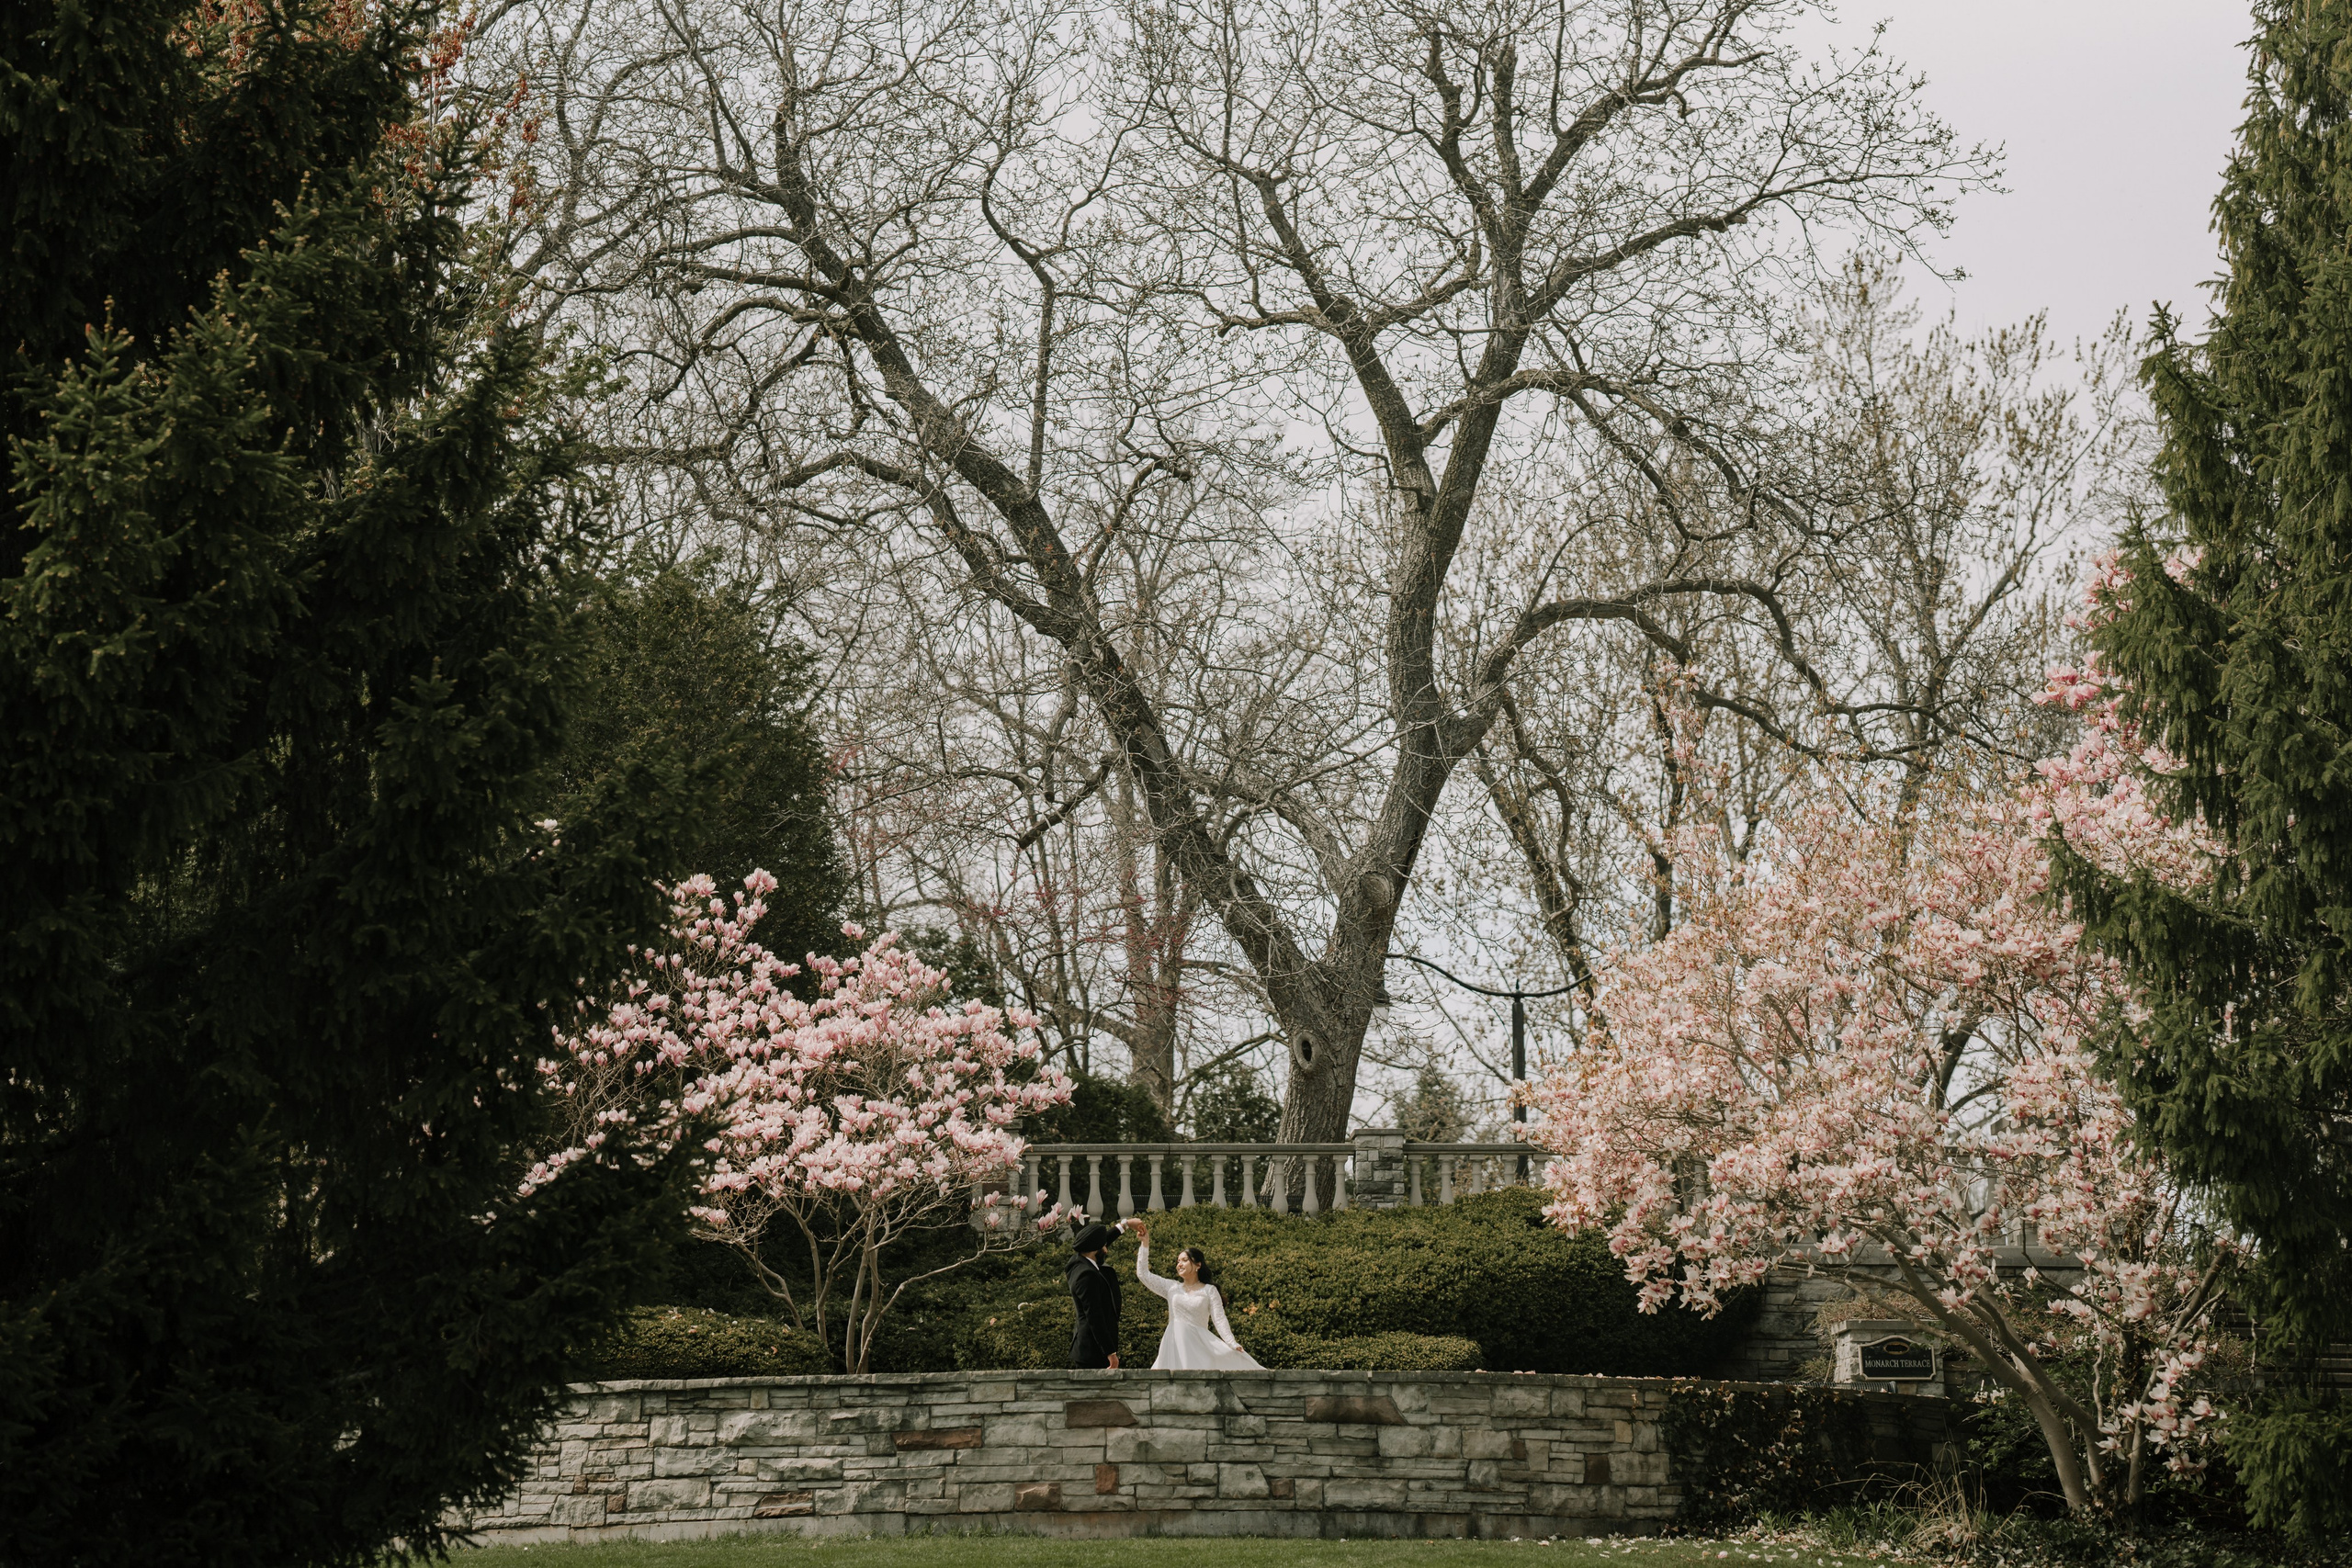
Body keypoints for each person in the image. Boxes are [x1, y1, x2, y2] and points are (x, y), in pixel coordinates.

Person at [1128, 1220, 1264, 1371]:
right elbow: (1143, 1274)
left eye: (1185, 1260)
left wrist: (1231, 1342)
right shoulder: (1171, 1287)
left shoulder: (1209, 1291)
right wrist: (1145, 1244)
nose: (1179, 1264)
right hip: (1174, 1345)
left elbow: (1219, 1319)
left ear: (1198, 1265)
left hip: (1199, 1346)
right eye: (1178, 1261)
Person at [1065, 1221, 1125, 1370]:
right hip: (1093, 1352)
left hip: (1088, 1348)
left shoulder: (1075, 1263)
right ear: (1094, 1249)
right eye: (1104, 1246)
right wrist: (1110, 1352)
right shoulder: (1087, 1276)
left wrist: (1125, 1225)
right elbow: (1094, 1316)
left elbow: (1097, 1242)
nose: (1106, 1249)